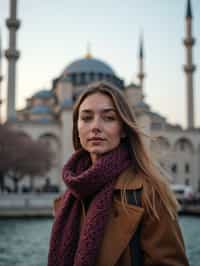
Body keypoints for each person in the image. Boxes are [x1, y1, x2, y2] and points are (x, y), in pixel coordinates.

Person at [47, 81, 189, 266]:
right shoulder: (70, 196)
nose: (95, 127)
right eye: (86, 118)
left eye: (108, 118)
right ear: (77, 128)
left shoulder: (148, 193)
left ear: (123, 130)